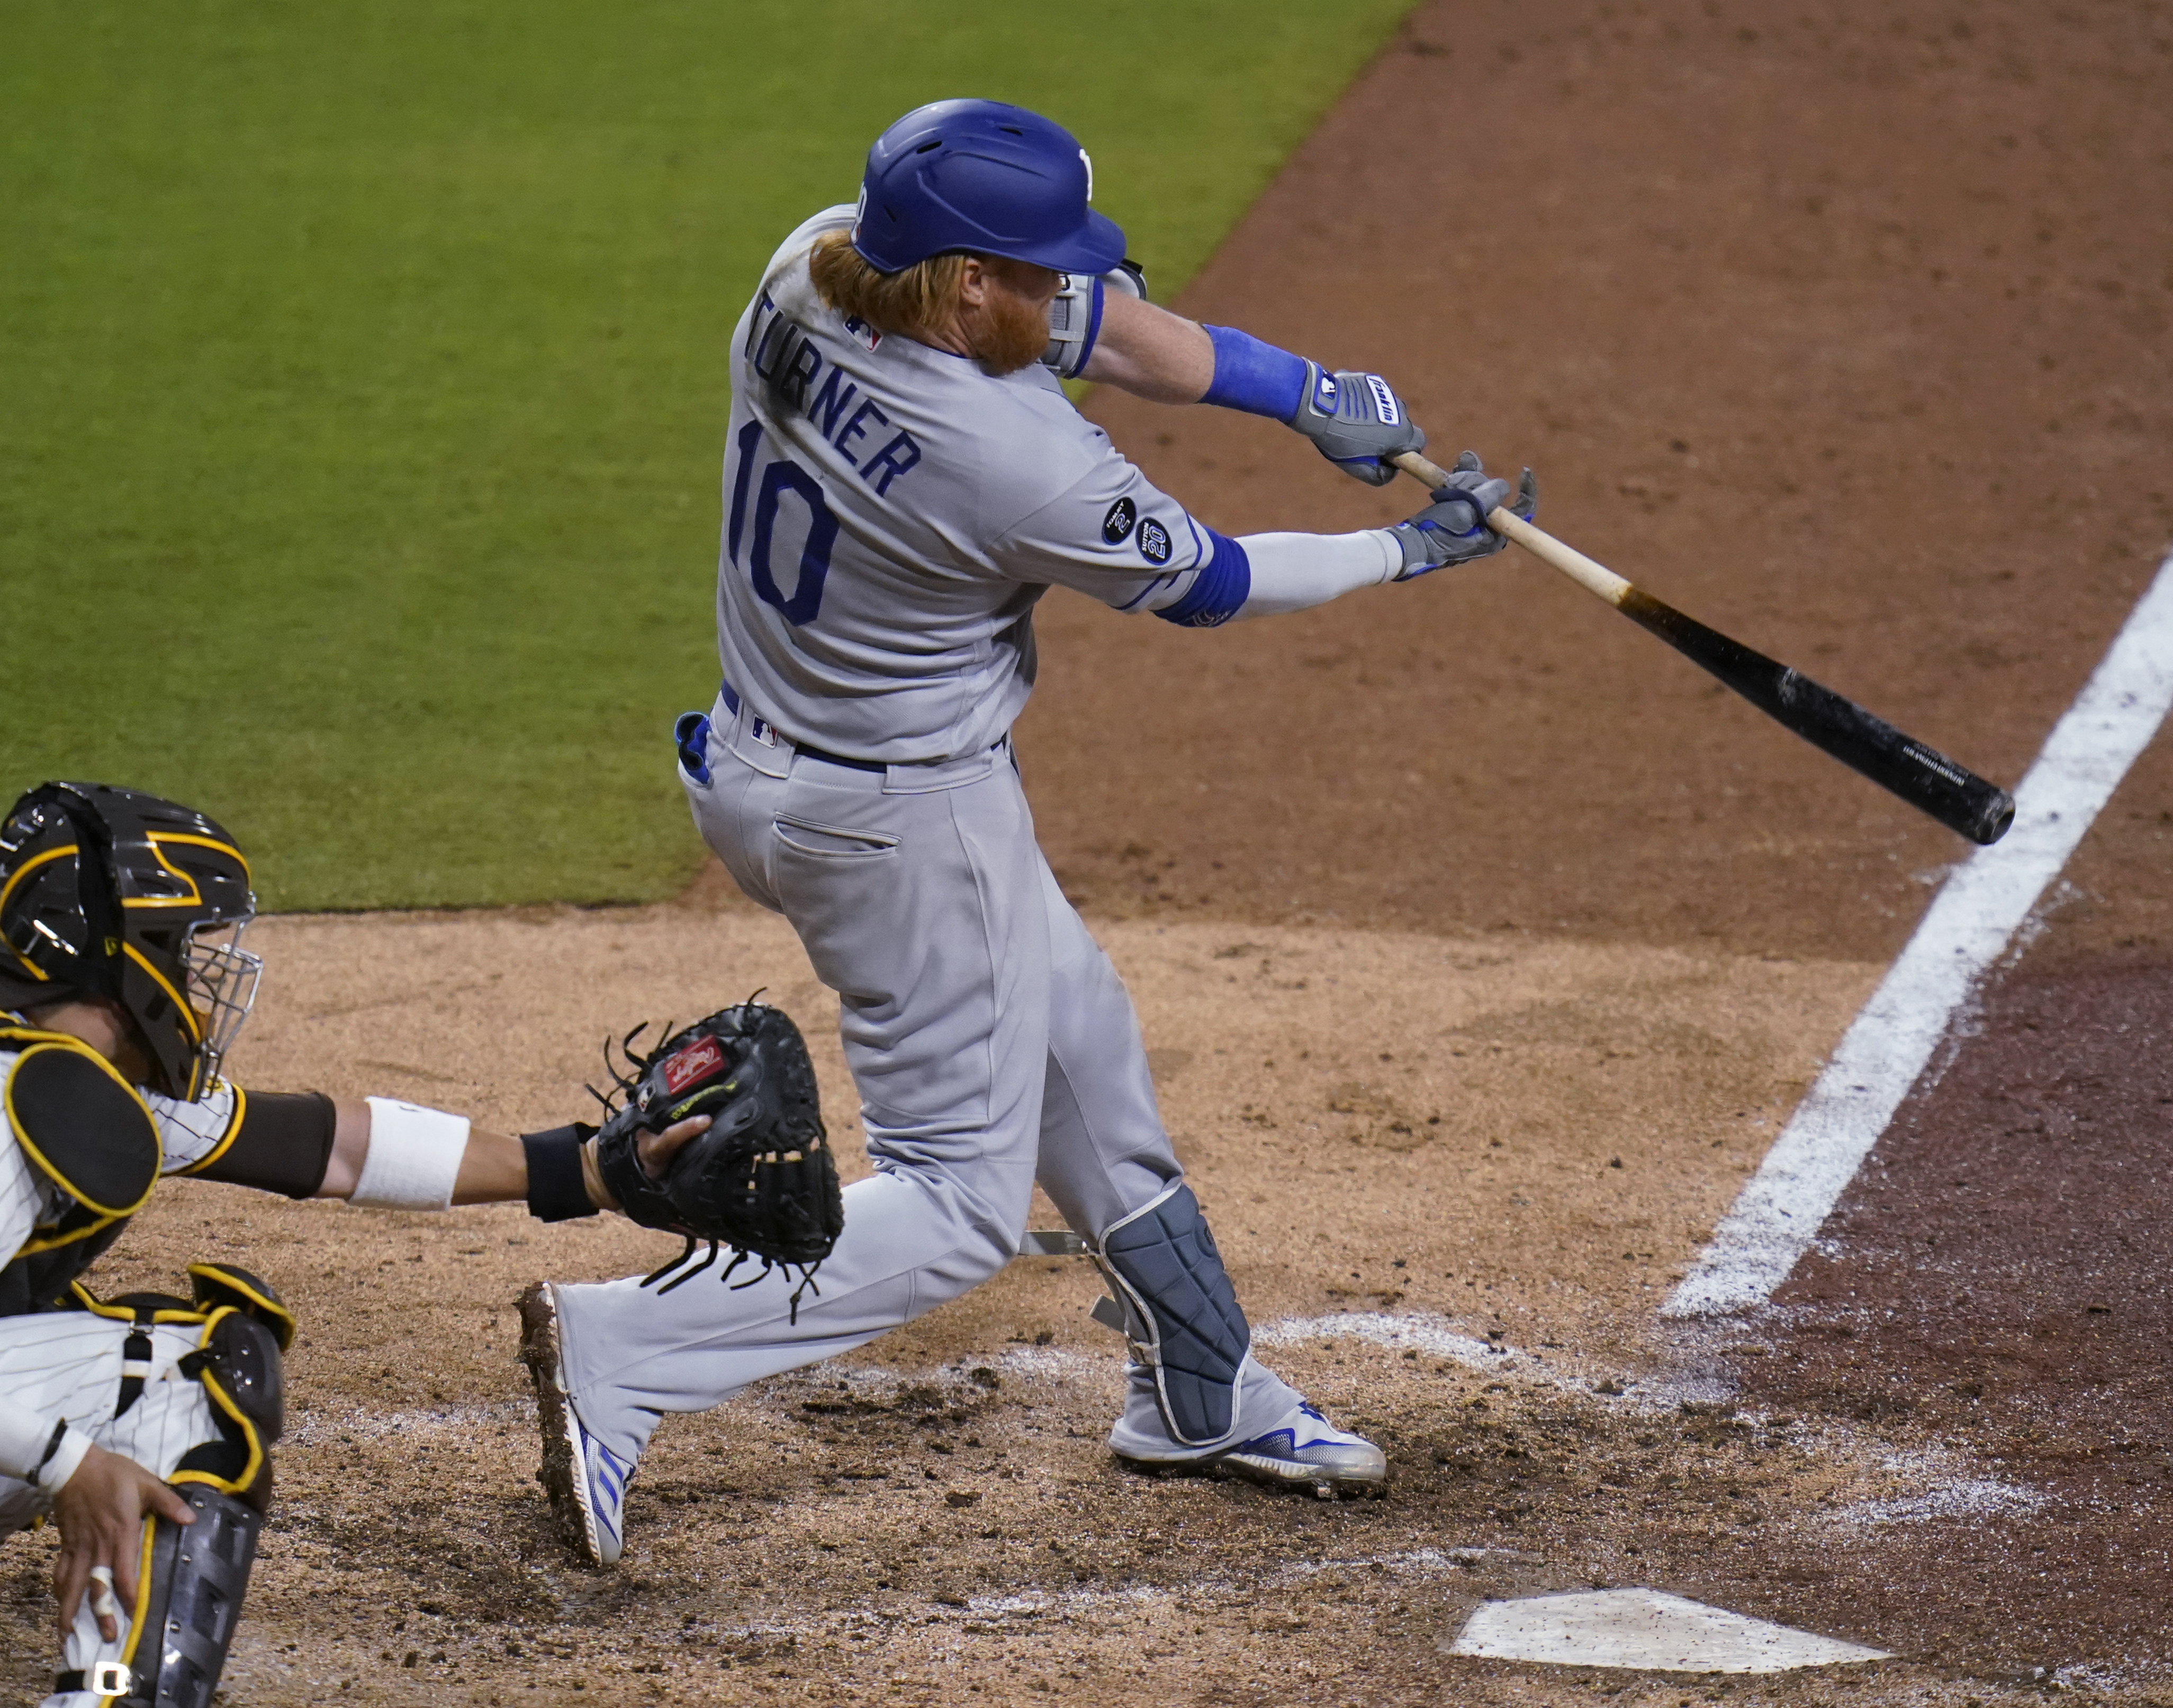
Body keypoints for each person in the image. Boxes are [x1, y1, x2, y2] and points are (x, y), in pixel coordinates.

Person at [516, 96, 1533, 1569]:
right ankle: (625, 1349)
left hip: (778, 761)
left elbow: (1118, 334)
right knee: (956, 1205)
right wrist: (1403, 549)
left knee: (1079, 1038)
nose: (1068, 292)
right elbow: (1216, 583)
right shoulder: (1008, 456)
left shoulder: (811, 266)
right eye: (1039, 272)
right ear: (969, 286)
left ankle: (1200, 1385)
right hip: (899, 822)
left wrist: (1299, 388)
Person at [0, 782, 705, 1707]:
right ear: (109, 952)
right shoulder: (12, 1110)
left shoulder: (60, 1071)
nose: (203, 977)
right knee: (186, 1376)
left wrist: (589, 1171)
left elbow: (329, 1146)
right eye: (184, 947)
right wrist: (68, 1464)